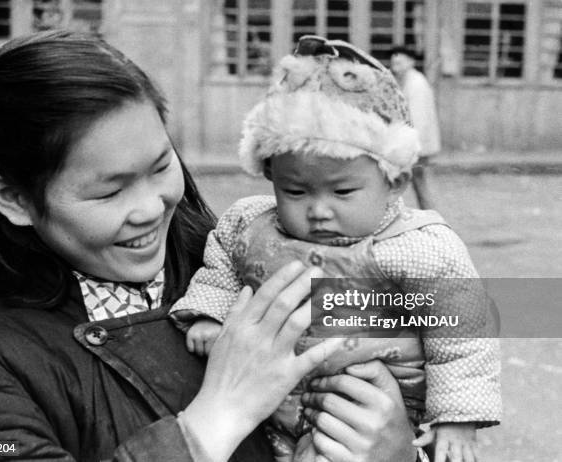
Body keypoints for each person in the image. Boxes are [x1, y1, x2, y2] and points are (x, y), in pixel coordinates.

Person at [0, 31, 421, 462]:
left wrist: (400, 448)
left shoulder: (233, 262)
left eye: (160, 167)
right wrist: (215, 418)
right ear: (14, 198)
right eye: (109, 192)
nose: (151, 208)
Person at [170, 36, 501, 462]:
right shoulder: (249, 223)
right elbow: (222, 264)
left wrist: (458, 417)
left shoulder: (417, 249)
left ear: (395, 181)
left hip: (364, 407)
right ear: (269, 174)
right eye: (295, 190)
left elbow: (462, 331)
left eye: (343, 191)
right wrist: (211, 313)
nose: (318, 211)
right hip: (268, 403)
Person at [389, 46, 441, 210]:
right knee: (417, 181)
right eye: (394, 61)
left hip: (418, 145)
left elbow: (418, 118)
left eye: (400, 61)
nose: (395, 64)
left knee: (420, 181)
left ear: (411, 62)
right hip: (412, 143)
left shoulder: (416, 83)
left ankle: (432, 216)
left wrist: (412, 146)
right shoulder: (402, 80)